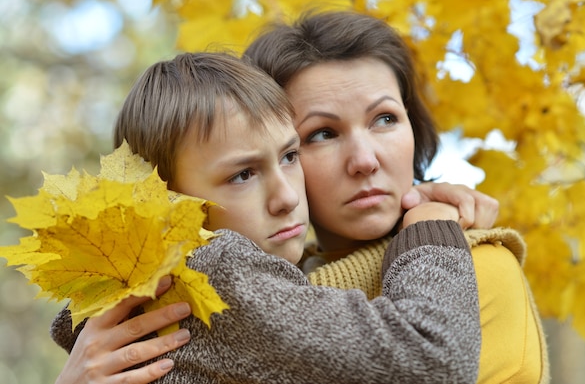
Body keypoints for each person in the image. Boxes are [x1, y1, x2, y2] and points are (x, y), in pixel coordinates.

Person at [51, 51, 482, 383]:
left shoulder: (127, 296)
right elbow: (434, 360)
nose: (286, 196)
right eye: (242, 175)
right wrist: (429, 228)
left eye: (290, 155)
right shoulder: (216, 274)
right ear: (165, 202)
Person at [244, 9, 549, 383]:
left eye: (385, 119)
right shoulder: (254, 289)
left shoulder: (477, 267)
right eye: (322, 133)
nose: (364, 160)